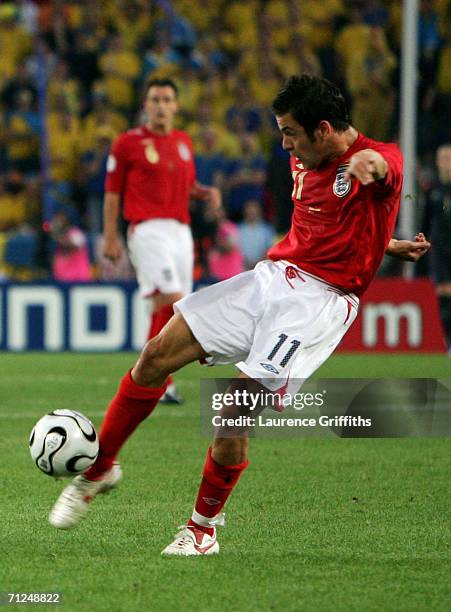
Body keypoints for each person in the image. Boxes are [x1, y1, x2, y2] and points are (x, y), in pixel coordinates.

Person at [48, 75, 430, 555]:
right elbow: (326, 222)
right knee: (155, 355)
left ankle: (202, 530)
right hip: (271, 277)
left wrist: (366, 166)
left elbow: (383, 170)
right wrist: (385, 244)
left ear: (325, 129)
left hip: (318, 301)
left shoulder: (377, 158)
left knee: (234, 407)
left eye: (290, 132)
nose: (284, 142)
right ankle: (100, 469)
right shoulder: (302, 155)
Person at [101, 78, 220, 403]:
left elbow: (185, 182)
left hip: (181, 230)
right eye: (155, 99)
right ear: (145, 105)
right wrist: (110, 237)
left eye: (167, 99)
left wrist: (203, 192)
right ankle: (156, 381)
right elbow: (112, 193)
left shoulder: (183, 141)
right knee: (169, 300)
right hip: (147, 229)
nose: (161, 105)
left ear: (176, 106)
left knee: (178, 308)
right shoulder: (127, 143)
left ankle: (155, 378)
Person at [423, 144, 451, 350]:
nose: (446, 163)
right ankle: (448, 343)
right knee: (443, 295)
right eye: (443, 158)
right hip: (440, 252)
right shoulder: (433, 190)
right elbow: (425, 223)